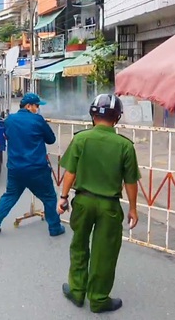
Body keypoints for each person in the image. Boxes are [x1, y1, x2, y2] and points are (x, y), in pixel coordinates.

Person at [57, 94, 140, 313]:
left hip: (83, 202)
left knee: (79, 245)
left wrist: (63, 198)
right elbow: (130, 182)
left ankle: (76, 291)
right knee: (105, 252)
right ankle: (99, 299)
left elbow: (70, 173)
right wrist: (132, 208)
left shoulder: (81, 139)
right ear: (117, 118)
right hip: (109, 207)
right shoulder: (125, 146)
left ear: (93, 115)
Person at [0, 93, 65, 237]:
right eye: (36, 106)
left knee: (10, 196)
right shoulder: (37, 120)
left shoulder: (10, 120)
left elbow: (7, 136)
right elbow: (51, 140)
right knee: (49, 197)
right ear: (29, 106)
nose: (38, 109)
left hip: (15, 169)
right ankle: (54, 228)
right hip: (37, 169)